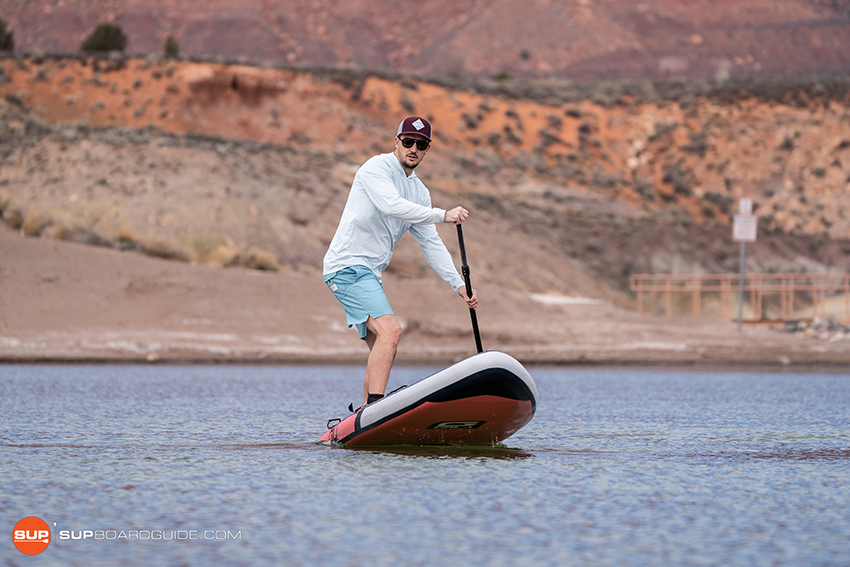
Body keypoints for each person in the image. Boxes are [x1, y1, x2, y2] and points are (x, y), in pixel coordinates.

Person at [323, 116, 478, 409]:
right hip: (347, 266)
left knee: (380, 343)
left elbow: (431, 244)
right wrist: (443, 214)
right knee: (391, 331)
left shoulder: (419, 193)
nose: (414, 149)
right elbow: (390, 205)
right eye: (408, 142)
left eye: (421, 145)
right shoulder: (376, 168)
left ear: (427, 149)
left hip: (368, 272)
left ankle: (362, 417)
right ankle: (375, 408)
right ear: (396, 142)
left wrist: (459, 285)